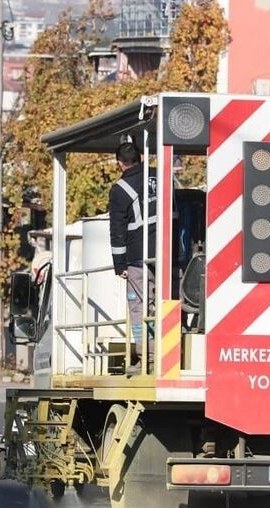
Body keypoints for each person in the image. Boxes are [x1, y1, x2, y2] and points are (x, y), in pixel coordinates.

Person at [109, 142, 157, 373]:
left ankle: (147, 359)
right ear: (140, 158)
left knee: (139, 308)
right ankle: (168, 354)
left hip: (139, 258)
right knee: (166, 305)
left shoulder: (120, 189)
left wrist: (120, 266)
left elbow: (117, 230)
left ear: (120, 163)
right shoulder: (160, 176)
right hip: (170, 255)